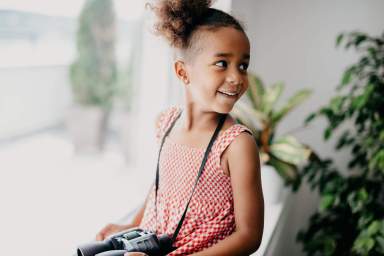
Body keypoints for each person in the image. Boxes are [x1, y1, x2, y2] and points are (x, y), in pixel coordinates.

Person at [96, 0, 264, 255]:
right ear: (183, 73)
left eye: (243, 65)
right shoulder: (166, 123)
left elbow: (249, 236)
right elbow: (161, 191)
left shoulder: (236, 145)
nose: (237, 78)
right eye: (222, 63)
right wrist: (131, 225)